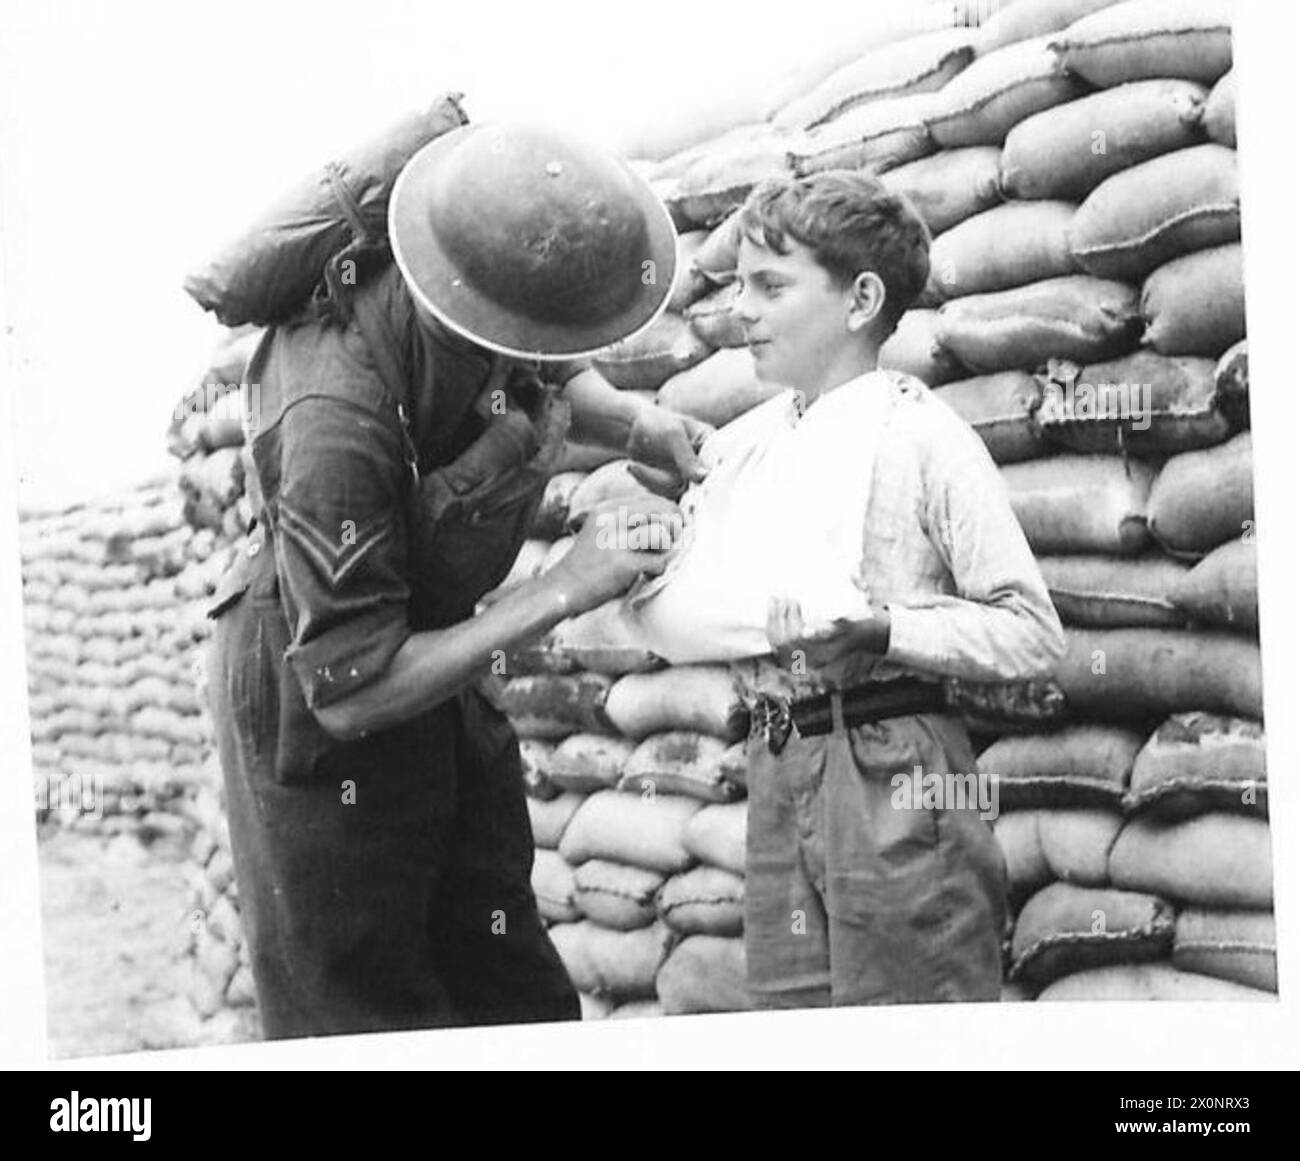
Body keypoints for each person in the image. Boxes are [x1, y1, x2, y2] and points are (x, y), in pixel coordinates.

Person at [203, 121, 711, 1039]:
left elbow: (547, 376)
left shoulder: (477, 297)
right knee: (365, 1005)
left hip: (434, 653)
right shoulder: (333, 415)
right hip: (318, 673)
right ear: (458, 305)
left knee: (508, 975)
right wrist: (564, 587)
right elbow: (350, 694)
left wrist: (639, 427)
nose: (537, 356)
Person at [626, 170, 1067, 1007]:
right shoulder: (744, 447)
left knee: (911, 1029)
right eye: (739, 285)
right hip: (779, 760)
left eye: (770, 286)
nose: (741, 311)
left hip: (894, 770)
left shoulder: (922, 436)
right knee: (799, 1032)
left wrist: (883, 629)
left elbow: (1032, 632)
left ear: (861, 298)